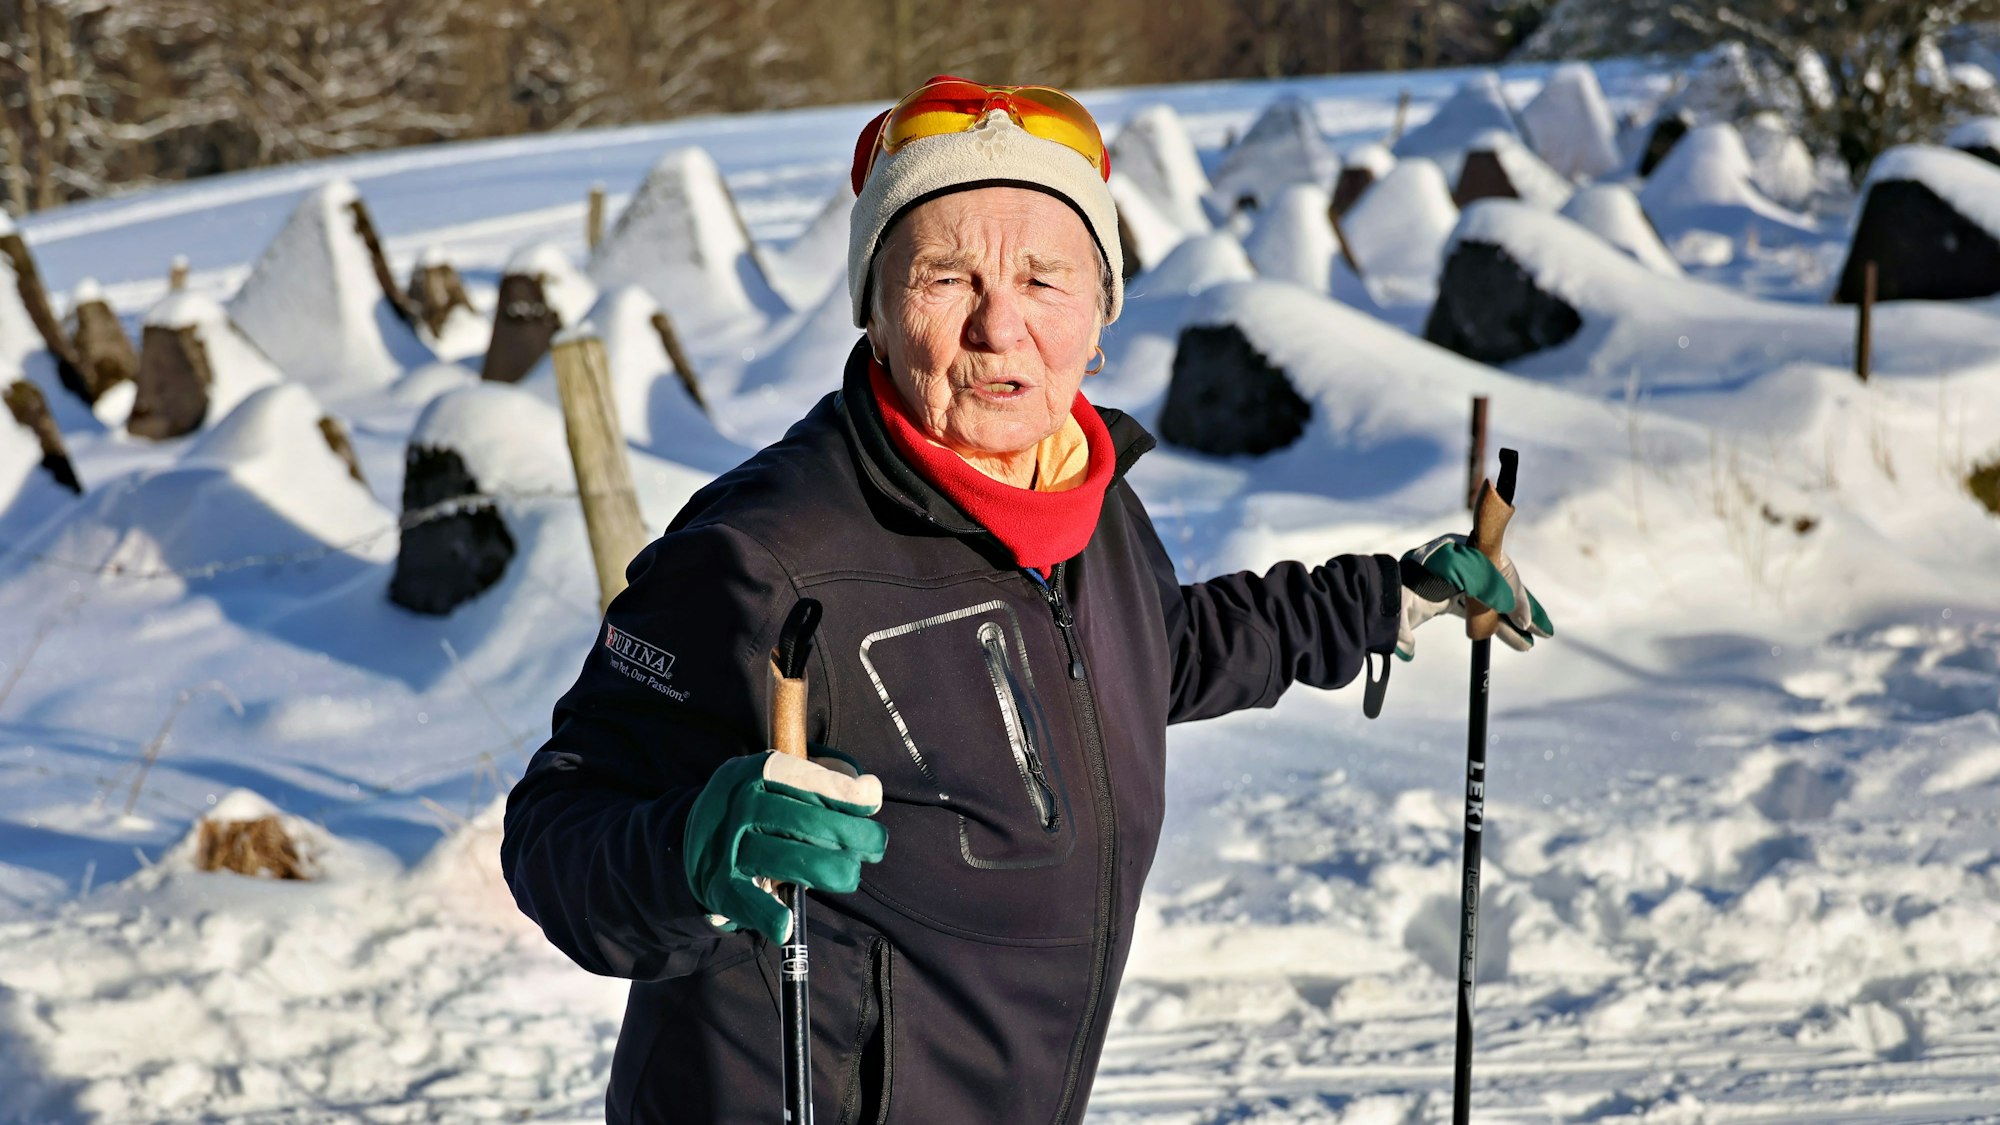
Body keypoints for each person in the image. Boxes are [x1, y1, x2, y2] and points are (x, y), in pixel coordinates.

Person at [501, 76, 1552, 1125]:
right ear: (875, 308)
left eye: (1045, 279)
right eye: (945, 276)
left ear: (1098, 316)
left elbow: (1153, 653)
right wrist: (691, 848)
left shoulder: (1084, 501)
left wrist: (1384, 599)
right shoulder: (761, 552)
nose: (999, 326)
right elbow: (559, 829)